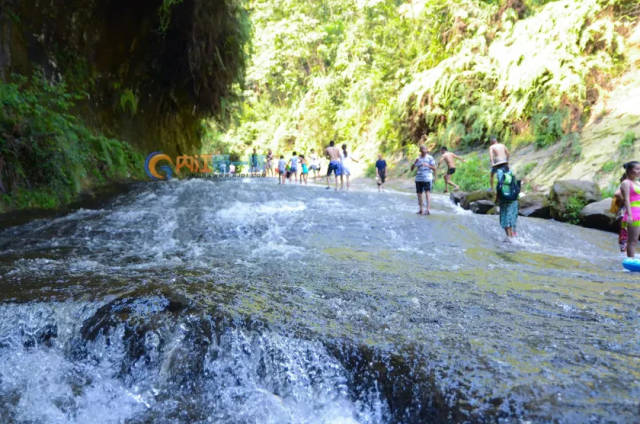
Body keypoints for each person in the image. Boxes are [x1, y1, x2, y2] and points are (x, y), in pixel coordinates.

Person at [620, 161, 640, 257]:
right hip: (633, 214)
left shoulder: (637, 183)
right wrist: (630, 215)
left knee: (635, 240)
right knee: (633, 240)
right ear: (629, 170)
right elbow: (627, 199)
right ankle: (631, 261)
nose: (639, 171)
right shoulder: (626, 183)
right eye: (637, 169)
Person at [411, 145, 437, 215]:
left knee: (427, 193)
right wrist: (414, 162)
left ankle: (428, 209)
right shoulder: (418, 158)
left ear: (426, 150)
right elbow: (412, 169)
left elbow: (434, 168)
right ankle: (421, 209)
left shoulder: (430, 158)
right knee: (419, 194)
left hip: (427, 177)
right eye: (422, 149)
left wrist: (427, 165)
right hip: (418, 178)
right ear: (420, 150)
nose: (423, 150)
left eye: (424, 149)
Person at [495, 166, 518, 238]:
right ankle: (513, 237)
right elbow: (517, 189)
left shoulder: (501, 180)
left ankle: (510, 238)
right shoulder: (511, 177)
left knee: (505, 220)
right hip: (513, 200)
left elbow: (498, 192)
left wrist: (496, 202)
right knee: (511, 220)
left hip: (504, 202)